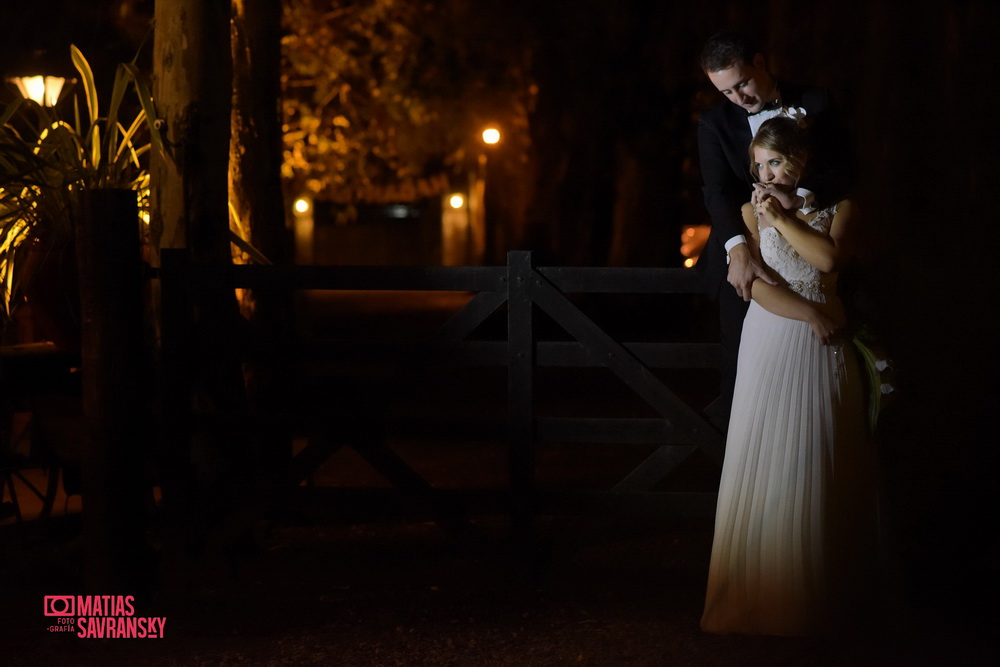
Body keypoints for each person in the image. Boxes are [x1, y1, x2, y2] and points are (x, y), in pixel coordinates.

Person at [700, 116, 882, 636]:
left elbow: (825, 260)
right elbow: (754, 287)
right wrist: (811, 314)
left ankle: (824, 598)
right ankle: (763, 597)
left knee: (818, 452)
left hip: (822, 350)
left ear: (799, 160)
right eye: (758, 166)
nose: (766, 175)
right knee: (768, 453)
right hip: (773, 338)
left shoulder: (838, 210)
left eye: (774, 163)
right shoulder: (747, 212)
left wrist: (782, 221)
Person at [696, 31, 853, 424]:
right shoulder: (714, 122)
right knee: (742, 383)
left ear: (761, 63)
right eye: (726, 92)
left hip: (814, 254)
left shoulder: (817, 102)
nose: (738, 99)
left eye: (742, 83)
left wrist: (798, 200)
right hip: (747, 255)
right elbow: (716, 191)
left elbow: (845, 168)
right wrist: (737, 250)